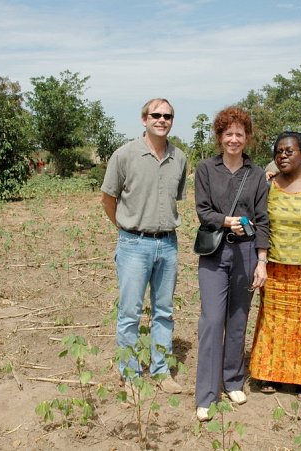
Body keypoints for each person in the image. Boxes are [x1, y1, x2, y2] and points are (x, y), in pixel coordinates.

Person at [101, 98, 187, 395]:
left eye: (168, 116)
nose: (162, 120)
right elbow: (108, 199)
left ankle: (162, 371)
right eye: (156, 115)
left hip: (167, 244)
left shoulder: (180, 157)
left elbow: (176, 197)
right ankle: (130, 376)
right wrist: (125, 228)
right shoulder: (124, 155)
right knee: (130, 313)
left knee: (163, 311)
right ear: (144, 119)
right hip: (134, 244)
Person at [194, 106, 270, 421]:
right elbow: (202, 210)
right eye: (228, 133)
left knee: (238, 319)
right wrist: (227, 222)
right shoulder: (205, 169)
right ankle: (207, 394)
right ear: (220, 136)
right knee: (212, 321)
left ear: (247, 138)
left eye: (240, 134)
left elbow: (263, 219)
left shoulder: (256, 175)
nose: (234, 139)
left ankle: (233, 379)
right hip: (214, 254)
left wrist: (262, 261)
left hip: (247, 252)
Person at [249, 131, 301, 401]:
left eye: (289, 151)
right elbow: (260, 222)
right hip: (273, 267)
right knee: (272, 321)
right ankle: (269, 373)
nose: (282, 156)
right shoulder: (269, 185)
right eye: (278, 152)